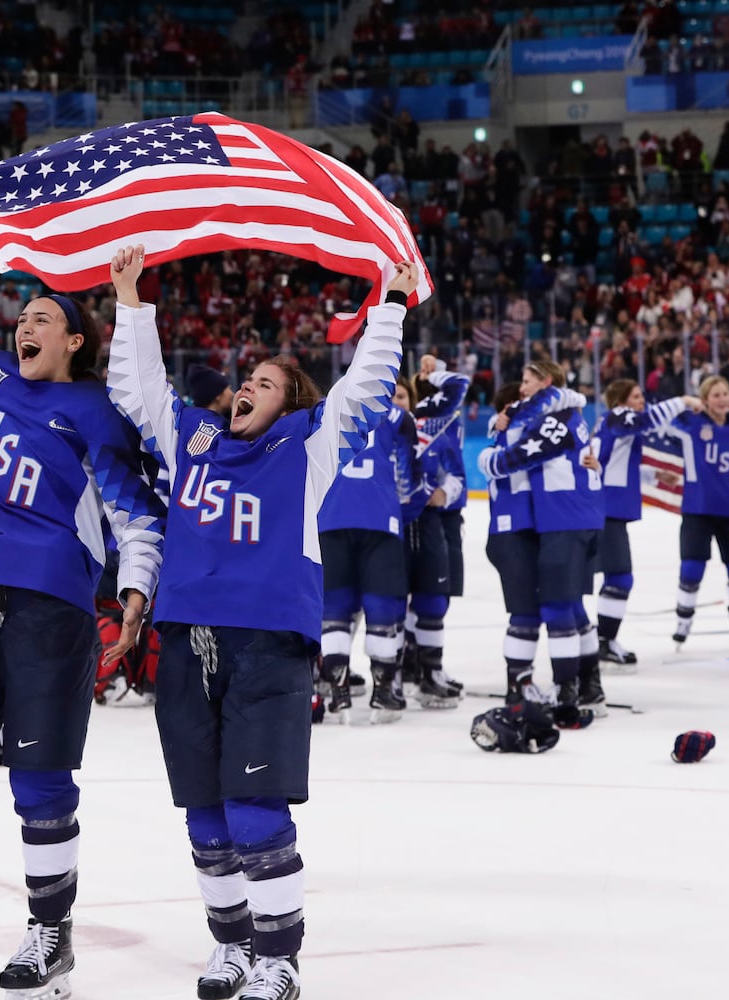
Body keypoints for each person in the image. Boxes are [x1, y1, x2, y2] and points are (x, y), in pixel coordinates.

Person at [106, 243, 419, 1000]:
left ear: (290, 401)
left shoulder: (306, 444)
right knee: (205, 819)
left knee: (254, 811)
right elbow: (137, 388)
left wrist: (392, 307)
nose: (248, 388)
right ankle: (231, 947)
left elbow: (365, 385)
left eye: (266, 383)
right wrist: (130, 301)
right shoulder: (197, 442)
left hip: (267, 647)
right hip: (186, 642)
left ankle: (279, 959)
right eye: (247, 381)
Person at [0, 188, 166, 1000]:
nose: (25, 325)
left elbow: (137, 517)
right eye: (23, 315)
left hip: (50, 613)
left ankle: (51, 937)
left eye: (44, 317)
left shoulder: (94, 413)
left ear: (75, 342)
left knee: (43, 784)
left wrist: (136, 597)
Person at [478, 360, 604, 712]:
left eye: (527, 381)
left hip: (549, 527)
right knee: (544, 611)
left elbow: (524, 451)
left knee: (557, 608)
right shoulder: (552, 419)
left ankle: (572, 688)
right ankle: (559, 687)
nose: (521, 391)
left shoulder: (551, 420)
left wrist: (487, 457)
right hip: (519, 531)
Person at [316, 375, 425, 722]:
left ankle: (338, 692)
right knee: (383, 605)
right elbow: (410, 480)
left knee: (333, 609)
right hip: (379, 518)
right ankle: (383, 692)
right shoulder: (397, 416)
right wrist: (399, 509)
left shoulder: (323, 412)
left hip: (329, 519)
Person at [592, 379, 701, 669]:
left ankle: (602, 639)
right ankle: (603, 640)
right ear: (621, 400)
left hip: (606, 509)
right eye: (637, 396)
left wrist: (653, 476)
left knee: (614, 578)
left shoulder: (615, 423)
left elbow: (614, 467)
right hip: (606, 511)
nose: (643, 401)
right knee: (619, 578)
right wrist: (683, 401)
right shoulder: (619, 417)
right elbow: (648, 419)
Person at [660, 374, 729, 646]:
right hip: (698, 510)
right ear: (704, 400)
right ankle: (684, 618)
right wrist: (685, 403)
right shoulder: (691, 424)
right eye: (715, 395)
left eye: (725, 393)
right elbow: (658, 420)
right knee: (692, 567)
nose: (722, 399)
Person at [403, 354, 472, 700]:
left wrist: (446, 493)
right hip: (419, 519)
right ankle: (414, 668)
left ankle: (421, 667)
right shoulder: (418, 423)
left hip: (447, 515)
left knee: (436, 597)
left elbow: (457, 473)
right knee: (421, 596)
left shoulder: (444, 420)